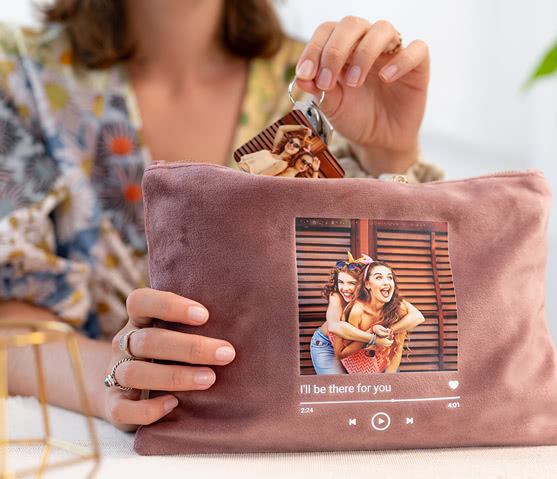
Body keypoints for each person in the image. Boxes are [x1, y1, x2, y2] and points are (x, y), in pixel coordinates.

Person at [1, 0, 443, 431]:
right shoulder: (17, 74)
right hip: (94, 455)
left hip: (301, 442)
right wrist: (112, 380)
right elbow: (9, 327)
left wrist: (389, 153)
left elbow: (395, 314)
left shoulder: (325, 83)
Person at [309, 252, 423, 375]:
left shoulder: (383, 300)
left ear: (364, 283)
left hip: (357, 345)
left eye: (351, 283)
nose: (345, 288)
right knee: (339, 386)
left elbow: (417, 316)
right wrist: (374, 337)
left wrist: (388, 331)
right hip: (327, 344)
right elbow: (334, 326)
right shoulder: (337, 297)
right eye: (341, 282)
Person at [237, 125, 313, 175]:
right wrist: (302, 128)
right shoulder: (275, 150)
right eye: (291, 141)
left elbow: (259, 178)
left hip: (241, 174)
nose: (292, 145)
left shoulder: (282, 164)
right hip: (237, 165)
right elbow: (281, 129)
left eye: (296, 145)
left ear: (298, 152)